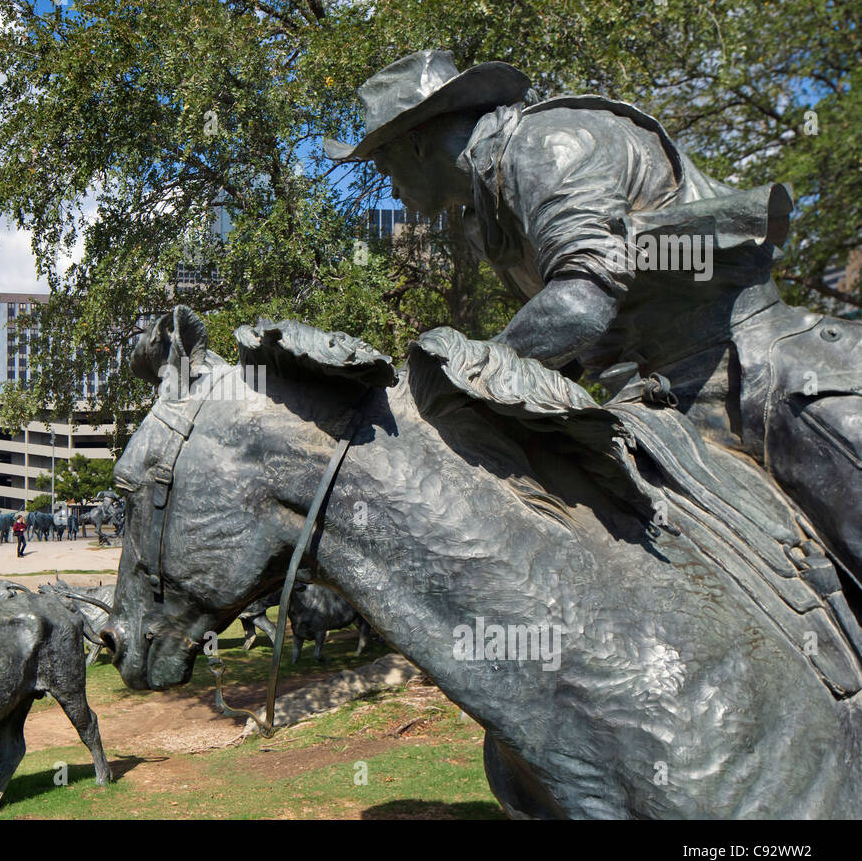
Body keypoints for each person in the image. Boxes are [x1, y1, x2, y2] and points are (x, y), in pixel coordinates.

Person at [326, 49, 862, 582]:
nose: (389, 187)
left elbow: (581, 303)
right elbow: (566, 348)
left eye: (383, 165)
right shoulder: (485, 211)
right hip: (653, 405)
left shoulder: (546, 147)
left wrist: (447, 383)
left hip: (751, 373)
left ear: (416, 143)